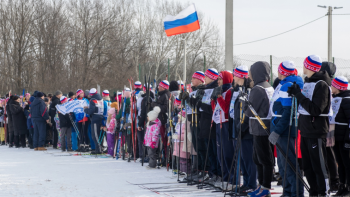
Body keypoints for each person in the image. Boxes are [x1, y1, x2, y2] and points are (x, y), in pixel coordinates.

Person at [287, 55, 332, 196]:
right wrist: (296, 94)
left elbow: (316, 109)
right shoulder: (308, 82)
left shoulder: (322, 85)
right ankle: (314, 191)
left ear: (310, 67)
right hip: (306, 130)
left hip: (316, 131)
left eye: (305, 65)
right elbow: (304, 104)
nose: (303, 67)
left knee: (318, 165)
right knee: (308, 166)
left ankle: (323, 192)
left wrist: (299, 95)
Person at [268, 61, 304, 197]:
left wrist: (277, 130)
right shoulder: (282, 84)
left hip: (284, 129)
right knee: (282, 165)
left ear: (282, 72)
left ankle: (295, 192)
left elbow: (288, 112)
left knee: (289, 163)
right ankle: (288, 191)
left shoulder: (287, 85)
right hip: (279, 127)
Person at [244, 61, 274, 197]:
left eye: (251, 72)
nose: (249, 75)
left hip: (260, 127)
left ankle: (265, 187)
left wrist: (245, 103)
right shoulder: (268, 86)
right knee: (259, 158)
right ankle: (262, 186)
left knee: (263, 159)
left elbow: (249, 110)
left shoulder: (258, 89)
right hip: (264, 126)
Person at [230, 65, 257, 195]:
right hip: (239, 129)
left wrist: (243, 126)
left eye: (235, 75)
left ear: (240, 76)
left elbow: (249, 111)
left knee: (249, 159)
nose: (233, 77)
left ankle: (251, 184)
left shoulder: (249, 90)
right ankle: (246, 183)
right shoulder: (239, 89)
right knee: (243, 160)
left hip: (247, 130)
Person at [211, 70, 235, 191]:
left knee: (227, 154)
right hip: (218, 123)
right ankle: (225, 178)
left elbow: (226, 109)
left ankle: (231, 180)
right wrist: (213, 99)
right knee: (220, 154)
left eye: (220, 79)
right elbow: (215, 109)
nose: (218, 82)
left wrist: (219, 97)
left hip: (226, 124)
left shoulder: (230, 92)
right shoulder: (221, 91)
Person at [329, 76, 350, 196]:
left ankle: (348, 187)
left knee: (347, 163)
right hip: (336, 137)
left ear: (338, 87)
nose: (331, 87)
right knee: (340, 163)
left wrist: (348, 139)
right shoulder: (336, 98)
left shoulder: (347, 99)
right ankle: (342, 186)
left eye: (333, 85)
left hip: (345, 138)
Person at [151, 80, 171, 166]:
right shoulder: (160, 95)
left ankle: (167, 159)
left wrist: (155, 105)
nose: (158, 87)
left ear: (164, 87)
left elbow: (166, 108)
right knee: (163, 140)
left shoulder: (166, 95)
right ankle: (164, 158)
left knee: (165, 140)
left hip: (164, 121)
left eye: (160, 86)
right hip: (160, 120)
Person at [84, 88, 104, 154]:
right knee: (98, 134)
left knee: (95, 135)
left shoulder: (93, 100)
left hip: (95, 118)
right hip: (100, 116)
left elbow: (91, 110)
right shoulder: (100, 98)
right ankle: (99, 148)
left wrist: (85, 110)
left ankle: (98, 149)